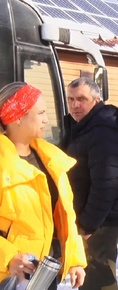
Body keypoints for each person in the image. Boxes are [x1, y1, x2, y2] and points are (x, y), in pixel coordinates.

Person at [0, 82, 86, 289]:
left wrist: (74, 259)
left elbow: (66, 215)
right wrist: (9, 257)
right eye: (40, 113)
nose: (46, 120)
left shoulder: (51, 160)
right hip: (7, 277)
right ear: (18, 117)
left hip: (43, 275)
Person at [60, 77, 118, 290]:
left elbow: (106, 185)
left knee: (98, 281)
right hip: (93, 219)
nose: (75, 105)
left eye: (82, 99)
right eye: (71, 99)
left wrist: (88, 225)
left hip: (100, 223)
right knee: (93, 280)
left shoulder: (103, 132)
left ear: (96, 100)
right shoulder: (84, 127)